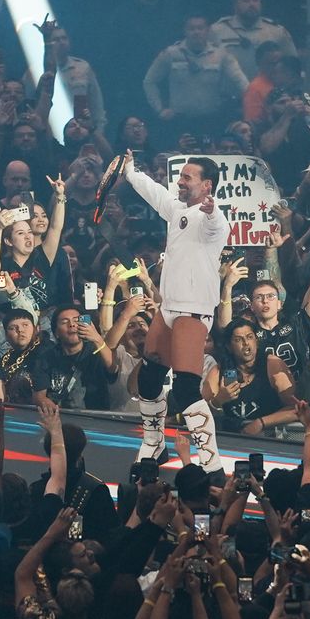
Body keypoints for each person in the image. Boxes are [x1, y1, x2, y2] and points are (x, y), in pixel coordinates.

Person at [122, 150, 228, 473]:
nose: (179, 182)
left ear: (206, 185)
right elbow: (154, 192)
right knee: (150, 378)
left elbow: (213, 226)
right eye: (180, 176)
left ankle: (211, 465)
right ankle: (154, 445)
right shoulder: (177, 209)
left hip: (193, 311)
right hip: (168, 307)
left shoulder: (216, 220)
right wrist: (129, 171)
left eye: (187, 177)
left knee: (184, 389)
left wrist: (210, 212)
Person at [142, 13, 248, 134]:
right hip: (179, 122)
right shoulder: (170, 54)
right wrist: (159, 109)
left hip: (212, 121)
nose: (196, 32)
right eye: (191, 28)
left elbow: (241, 82)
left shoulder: (221, 55)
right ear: (185, 31)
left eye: (200, 28)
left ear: (208, 30)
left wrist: (250, 106)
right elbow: (149, 81)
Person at [202, 318, 295, 434]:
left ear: (256, 340)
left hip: (271, 439)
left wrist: (261, 422)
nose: (246, 343)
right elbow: (200, 414)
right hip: (232, 441)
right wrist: (218, 401)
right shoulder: (219, 372)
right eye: (238, 340)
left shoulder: (272, 365)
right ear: (229, 347)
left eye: (249, 337)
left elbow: (296, 409)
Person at [209, 0, 297, 80]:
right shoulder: (217, 31)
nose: (252, 4)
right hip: (228, 93)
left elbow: (292, 66)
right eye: (246, 0)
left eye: (255, 0)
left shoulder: (277, 32)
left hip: (266, 93)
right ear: (235, 4)